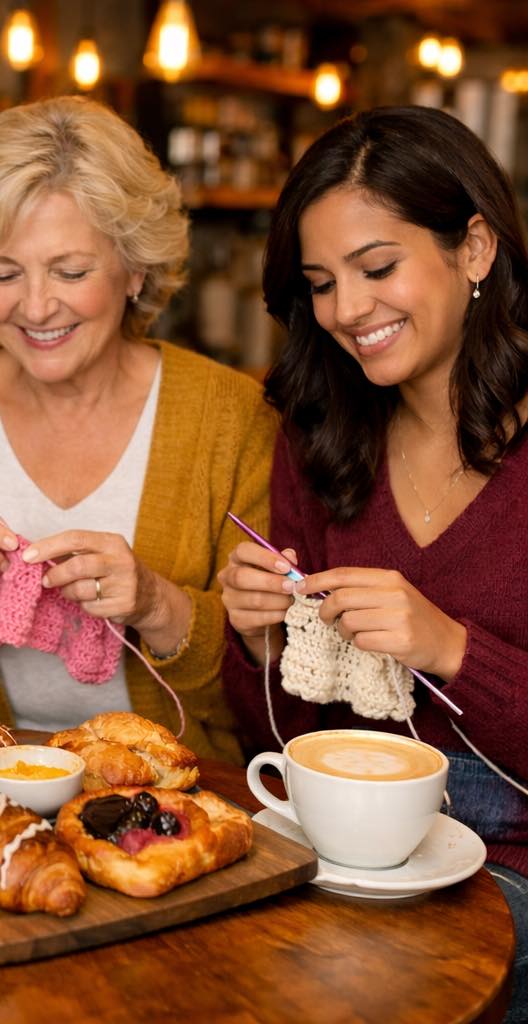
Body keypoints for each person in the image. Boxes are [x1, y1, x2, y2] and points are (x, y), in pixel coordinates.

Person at [217, 105, 528, 1021]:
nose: (347, 310)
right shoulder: (319, 434)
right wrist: (262, 644)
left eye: (377, 267)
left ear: (474, 248)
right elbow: (276, 744)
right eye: (320, 283)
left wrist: (453, 648)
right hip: (341, 846)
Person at [0, 95, 276, 758]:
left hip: (177, 801)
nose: (35, 305)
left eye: (70, 270)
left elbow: (271, 703)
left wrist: (157, 605)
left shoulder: (229, 417)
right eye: (4, 273)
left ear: (135, 267)